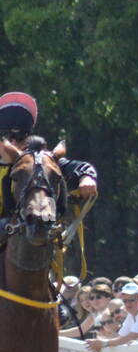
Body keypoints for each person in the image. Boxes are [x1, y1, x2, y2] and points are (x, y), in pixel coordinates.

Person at [0, 92, 99, 242]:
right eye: (7, 136)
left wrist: (87, 176)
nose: (13, 143)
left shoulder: (39, 163)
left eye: (19, 137)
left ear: (27, 139)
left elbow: (76, 167)